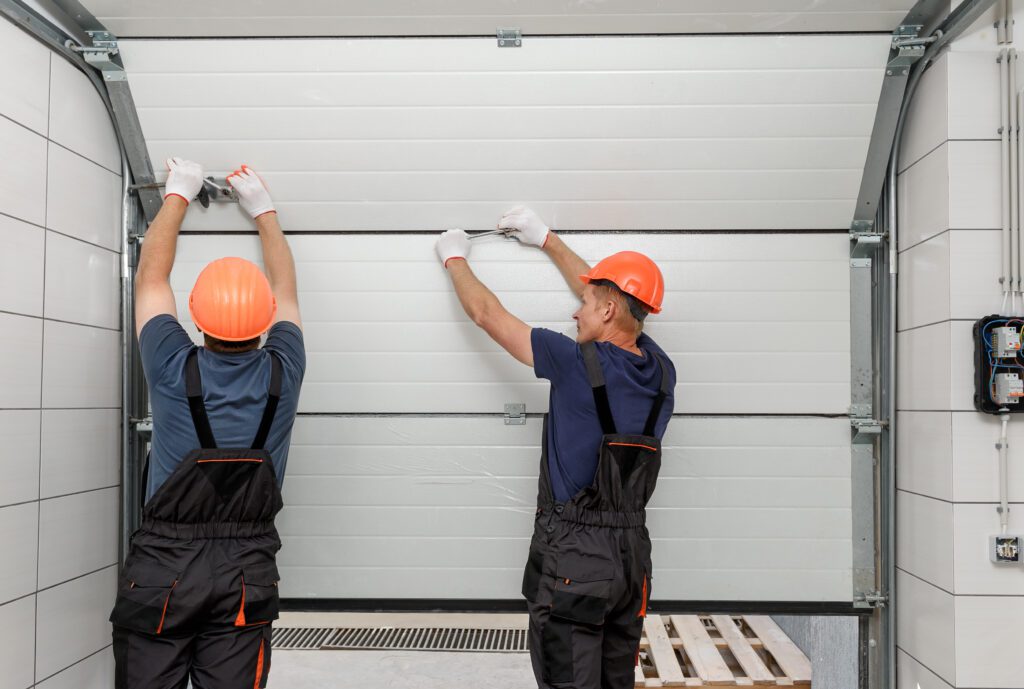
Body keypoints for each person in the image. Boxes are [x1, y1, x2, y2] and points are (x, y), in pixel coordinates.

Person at [435, 206, 676, 689]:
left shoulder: (572, 361)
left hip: (576, 557)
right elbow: (615, 300)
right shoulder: (660, 369)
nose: (574, 310)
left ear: (607, 311)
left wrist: (454, 257)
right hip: (631, 559)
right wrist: (546, 239)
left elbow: (486, 314)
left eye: (585, 303)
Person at [110, 158, 305, 689]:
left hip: (163, 568)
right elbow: (286, 290)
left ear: (196, 318)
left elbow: (151, 275)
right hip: (246, 568)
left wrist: (178, 193)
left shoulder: (173, 366)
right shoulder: (284, 372)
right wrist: (263, 209)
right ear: (265, 322)